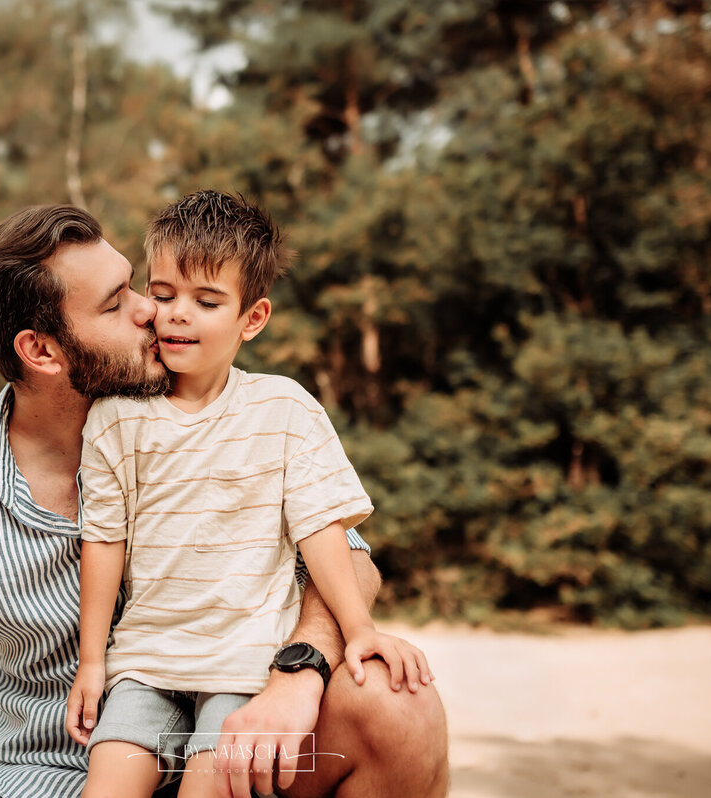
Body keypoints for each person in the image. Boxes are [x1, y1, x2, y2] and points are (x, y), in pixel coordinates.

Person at [0, 203, 450, 798]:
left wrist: (302, 666)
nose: (151, 311)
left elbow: (349, 556)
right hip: (58, 771)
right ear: (41, 351)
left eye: (135, 287)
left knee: (399, 703)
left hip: (239, 734)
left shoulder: (228, 410)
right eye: (115, 304)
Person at [65, 191, 434, 798]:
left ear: (252, 318)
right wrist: (91, 662)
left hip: (244, 671)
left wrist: (359, 628)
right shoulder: (114, 419)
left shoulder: (284, 409)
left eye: (207, 301)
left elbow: (322, 530)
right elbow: (104, 540)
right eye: (163, 294)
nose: (178, 314)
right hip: (144, 667)